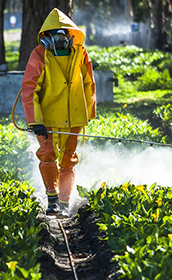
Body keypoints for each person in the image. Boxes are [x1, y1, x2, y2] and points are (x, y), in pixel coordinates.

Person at [21, 8, 96, 218]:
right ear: (46, 36)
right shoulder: (39, 54)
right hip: (47, 119)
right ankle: (52, 200)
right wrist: (35, 120)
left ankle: (64, 202)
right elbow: (29, 89)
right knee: (47, 156)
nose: (60, 38)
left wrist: (89, 112)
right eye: (54, 33)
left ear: (70, 34)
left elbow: (89, 83)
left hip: (74, 117)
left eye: (63, 33)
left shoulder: (81, 53)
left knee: (68, 159)